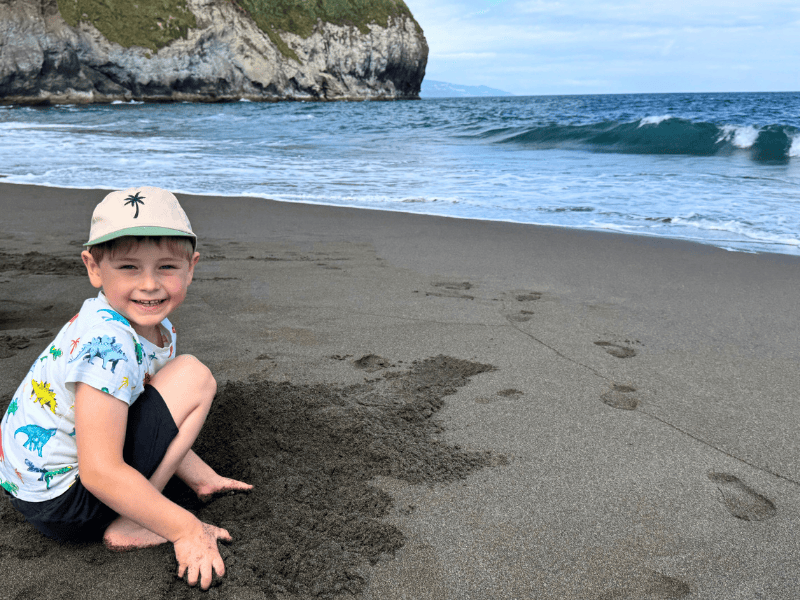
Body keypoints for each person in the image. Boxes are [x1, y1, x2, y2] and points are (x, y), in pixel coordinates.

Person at [0, 186, 251, 590]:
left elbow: (148, 411)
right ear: (94, 267)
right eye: (129, 268)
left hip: (39, 490)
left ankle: (190, 484)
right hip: (67, 501)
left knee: (177, 383)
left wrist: (203, 475)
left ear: (192, 267)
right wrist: (185, 528)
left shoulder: (148, 325)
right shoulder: (109, 341)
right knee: (194, 376)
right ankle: (133, 521)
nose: (149, 284)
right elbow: (100, 472)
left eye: (167, 267)